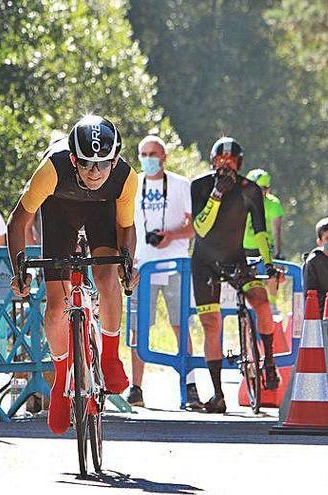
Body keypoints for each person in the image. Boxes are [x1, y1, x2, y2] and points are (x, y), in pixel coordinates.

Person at [7, 115, 138, 434]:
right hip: (58, 211)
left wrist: (127, 266)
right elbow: (18, 221)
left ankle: (109, 356)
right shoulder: (52, 169)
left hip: (101, 212)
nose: (95, 172)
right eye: (87, 164)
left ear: (115, 159)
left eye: (102, 164)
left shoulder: (124, 176)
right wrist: (21, 271)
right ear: (72, 159)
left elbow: (125, 227)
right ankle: (61, 378)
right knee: (56, 306)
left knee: (107, 278)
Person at [190, 137, 280, 414]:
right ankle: (217, 394)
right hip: (204, 263)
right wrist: (217, 195)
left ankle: (269, 360)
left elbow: (262, 231)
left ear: (239, 163)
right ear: (213, 160)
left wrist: (268, 264)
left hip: (235, 261)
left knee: (261, 301)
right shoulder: (201, 186)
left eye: (231, 160)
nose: (226, 164)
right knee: (211, 325)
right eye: (221, 159)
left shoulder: (249, 189)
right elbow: (201, 229)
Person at [125, 135, 197, 408]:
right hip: (142, 264)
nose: (148, 159)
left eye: (153, 154)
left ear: (164, 157)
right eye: (143, 154)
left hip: (175, 262)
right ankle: (136, 387)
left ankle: (189, 385)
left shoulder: (181, 185)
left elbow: (194, 227)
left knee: (180, 324)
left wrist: (172, 235)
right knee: (138, 328)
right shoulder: (133, 186)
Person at [243, 169, 284, 259]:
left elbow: (276, 231)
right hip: (243, 249)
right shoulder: (240, 202)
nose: (261, 192)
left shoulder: (274, 204)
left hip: (266, 249)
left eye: (264, 188)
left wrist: (277, 254)